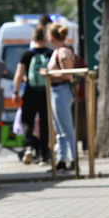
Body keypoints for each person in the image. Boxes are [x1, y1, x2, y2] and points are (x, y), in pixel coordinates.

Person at [13, 26, 52, 165]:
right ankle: (44, 154)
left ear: (33, 38)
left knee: (27, 120)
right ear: (45, 38)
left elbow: (18, 74)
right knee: (45, 123)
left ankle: (29, 147)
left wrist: (16, 92)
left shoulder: (26, 54)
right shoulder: (50, 54)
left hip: (30, 92)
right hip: (45, 93)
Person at [47, 22, 77, 173]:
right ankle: (61, 160)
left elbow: (69, 74)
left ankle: (73, 160)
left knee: (66, 127)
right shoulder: (57, 51)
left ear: (52, 37)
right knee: (59, 128)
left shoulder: (63, 52)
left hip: (62, 90)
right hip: (55, 91)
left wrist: (48, 74)